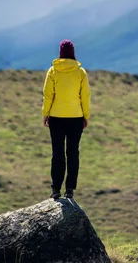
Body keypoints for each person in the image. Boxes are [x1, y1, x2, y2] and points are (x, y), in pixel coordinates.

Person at [42, 39, 91, 200]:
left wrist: (45, 113)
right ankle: (70, 190)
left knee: (57, 153)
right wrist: (86, 115)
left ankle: (55, 189)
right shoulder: (80, 72)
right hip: (76, 117)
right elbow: (85, 96)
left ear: (60, 52)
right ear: (73, 52)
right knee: (73, 153)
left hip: (56, 117)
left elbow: (48, 94)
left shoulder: (53, 71)